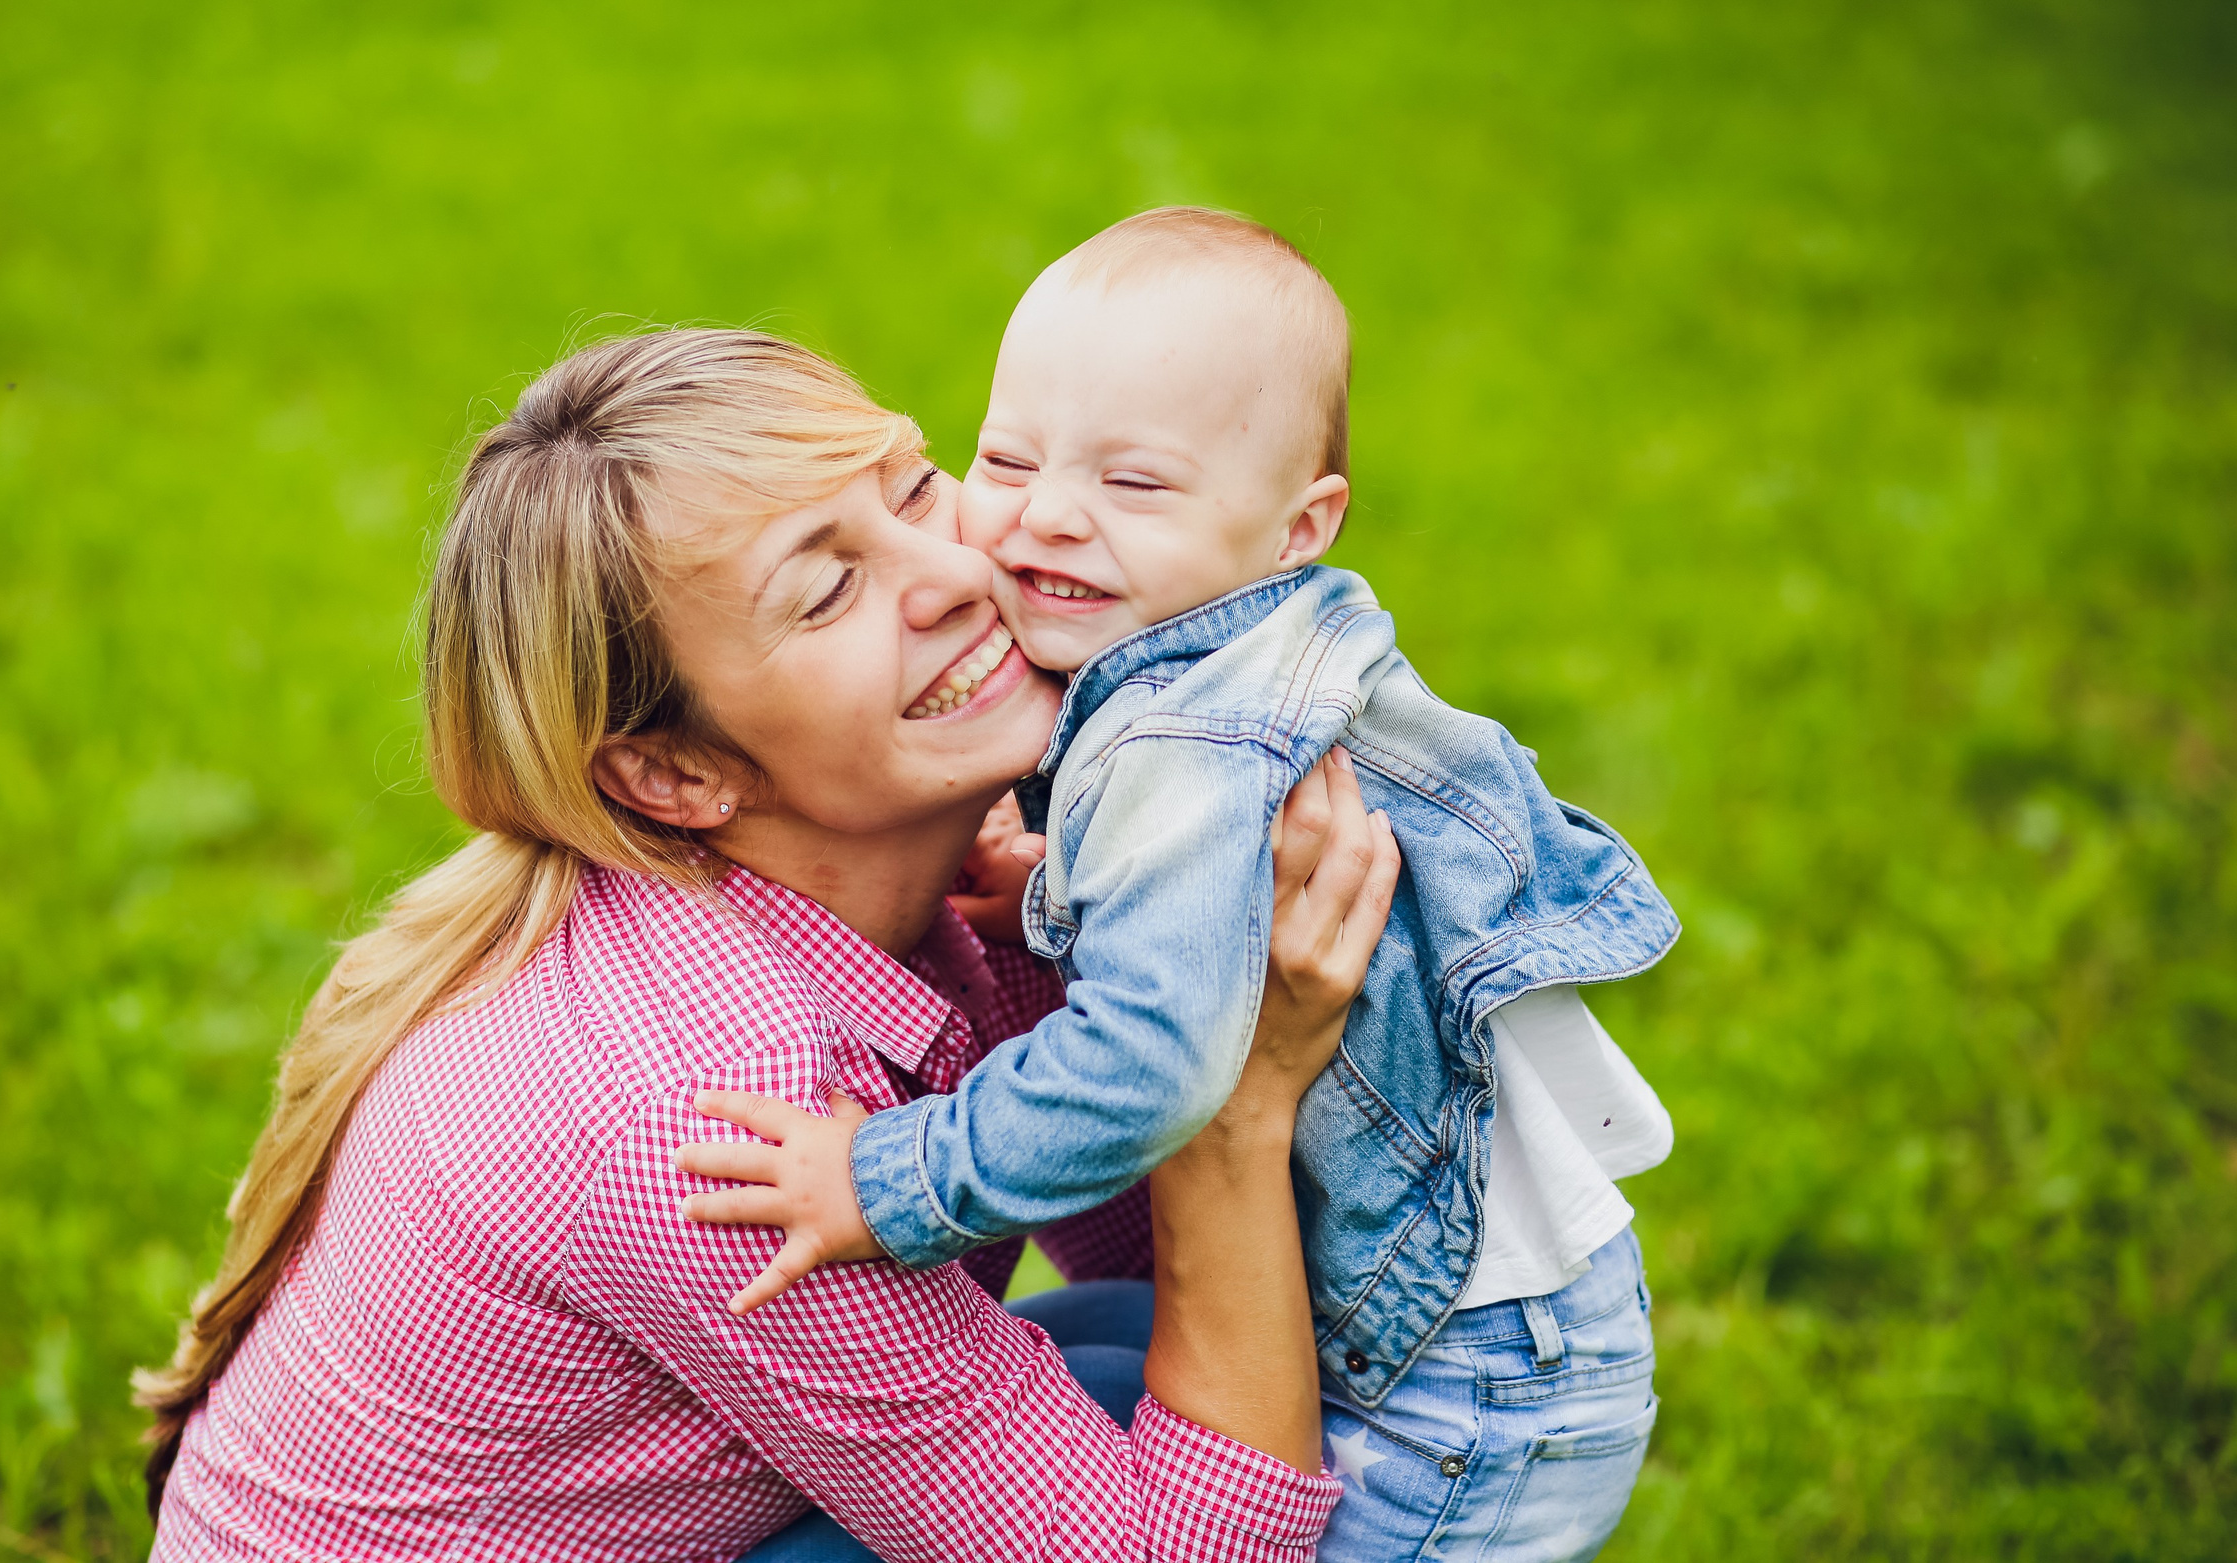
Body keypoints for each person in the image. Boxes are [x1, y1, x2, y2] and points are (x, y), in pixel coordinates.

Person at [134, 327, 1402, 1562]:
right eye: (829, 590)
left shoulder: (934, 893)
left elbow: (1138, 1255)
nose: (958, 574)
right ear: (676, 774)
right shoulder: (712, 1120)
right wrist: (1233, 1089)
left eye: (916, 487)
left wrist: (1115, 948)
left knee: (1130, 1343)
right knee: (1177, 1424)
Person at [709, 210, 1680, 1562]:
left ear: (1297, 525)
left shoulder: (1190, 745)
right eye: (1007, 458)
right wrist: (1056, 885)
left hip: (1451, 1394)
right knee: (1108, 1348)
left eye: (1138, 484)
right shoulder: (1248, 652)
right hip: (1493, 1327)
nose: (1050, 513)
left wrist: (883, 1180)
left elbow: (1151, 1065)